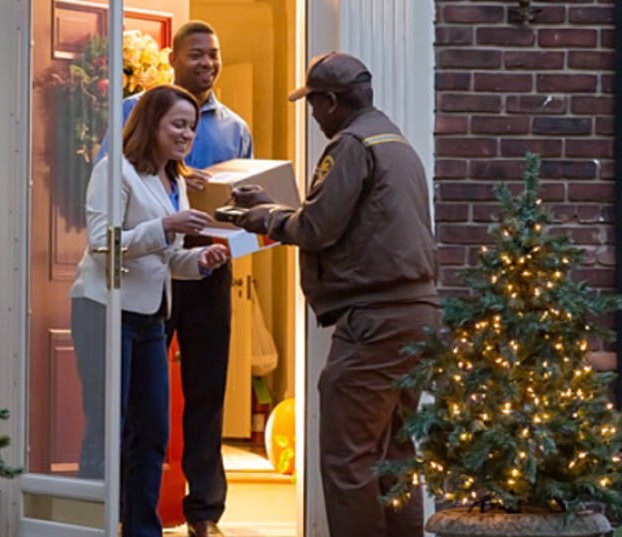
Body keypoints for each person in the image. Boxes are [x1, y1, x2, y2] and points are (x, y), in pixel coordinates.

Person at [231, 52, 439, 537]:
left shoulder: (350, 144)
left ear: (330, 100)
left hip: (375, 322)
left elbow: (321, 227)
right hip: (417, 317)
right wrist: (281, 209)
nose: (311, 114)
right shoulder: (395, 142)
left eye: (312, 104)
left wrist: (266, 219)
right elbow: (355, 222)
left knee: (348, 460)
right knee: (394, 456)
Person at [97, 20, 253, 537]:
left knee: (207, 392)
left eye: (215, 54)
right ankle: (121, 512)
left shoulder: (236, 127)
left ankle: (204, 513)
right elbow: (105, 208)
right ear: (174, 57)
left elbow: (248, 208)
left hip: (203, 264)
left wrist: (235, 233)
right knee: (134, 405)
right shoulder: (129, 113)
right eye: (197, 54)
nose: (208, 63)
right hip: (143, 274)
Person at [71, 84, 229, 537]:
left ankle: (142, 530)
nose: (186, 135)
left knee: (153, 433)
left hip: (150, 317)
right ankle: (91, 527)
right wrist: (164, 226)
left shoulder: (174, 181)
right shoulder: (113, 171)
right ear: (151, 124)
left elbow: (165, 259)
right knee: (108, 430)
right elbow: (103, 246)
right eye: (177, 124)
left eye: (192, 127)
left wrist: (200, 262)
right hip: (104, 309)